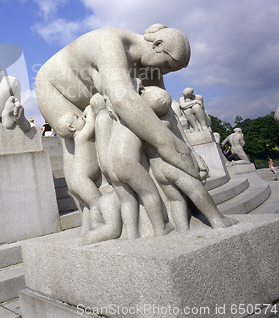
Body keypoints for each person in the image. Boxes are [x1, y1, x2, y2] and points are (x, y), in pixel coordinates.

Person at [35, 24, 200, 178]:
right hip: (53, 86)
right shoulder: (110, 42)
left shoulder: (150, 67)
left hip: (92, 96)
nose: (165, 72)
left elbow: (166, 110)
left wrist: (190, 151)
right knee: (84, 152)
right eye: (167, 65)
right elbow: (123, 99)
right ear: (156, 45)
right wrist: (173, 149)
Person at [140, 85, 237, 231]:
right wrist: (192, 159)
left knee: (176, 199)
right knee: (195, 189)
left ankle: (183, 230)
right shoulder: (167, 119)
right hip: (173, 164)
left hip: (157, 167)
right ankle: (217, 218)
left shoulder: (142, 121)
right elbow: (180, 141)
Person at [89, 92, 170, 239]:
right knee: (149, 193)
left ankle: (132, 234)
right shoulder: (134, 119)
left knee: (127, 200)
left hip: (112, 165)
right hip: (126, 163)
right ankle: (160, 228)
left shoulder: (115, 121)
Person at [55, 106, 103, 237]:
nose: (81, 117)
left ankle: (85, 230)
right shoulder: (82, 137)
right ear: (71, 127)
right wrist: (88, 109)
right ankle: (98, 227)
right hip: (82, 179)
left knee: (87, 205)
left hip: (75, 180)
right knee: (96, 203)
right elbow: (92, 123)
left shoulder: (77, 139)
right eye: (77, 118)